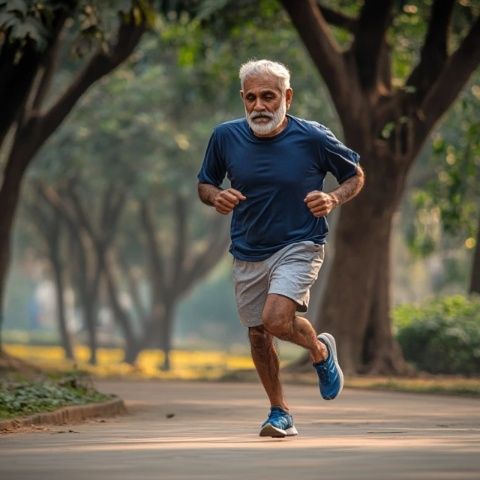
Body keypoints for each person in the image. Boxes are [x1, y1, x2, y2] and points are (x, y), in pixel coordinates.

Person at [197, 59, 365, 438]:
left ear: (287, 97)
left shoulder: (313, 137)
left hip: (300, 243)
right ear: (243, 99)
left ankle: (319, 355)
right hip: (247, 248)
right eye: (251, 98)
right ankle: (281, 411)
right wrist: (216, 197)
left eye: (269, 97)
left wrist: (333, 198)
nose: (259, 106)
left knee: (275, 319)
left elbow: (354, 174)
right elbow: (205, 183)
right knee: (259, 334)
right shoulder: (225, 136)